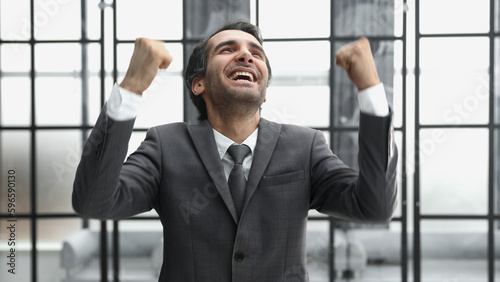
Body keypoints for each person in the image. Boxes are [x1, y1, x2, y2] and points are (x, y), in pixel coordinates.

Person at [73, 20, 397, 281]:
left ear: (264, 91)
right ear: (198, 84)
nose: (246, 56)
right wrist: (131, 86)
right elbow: (94, 201)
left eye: (255, 53)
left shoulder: (306, 146)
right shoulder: (164, 145)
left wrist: (370, 90)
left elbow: (374, 206)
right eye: (228, 49)